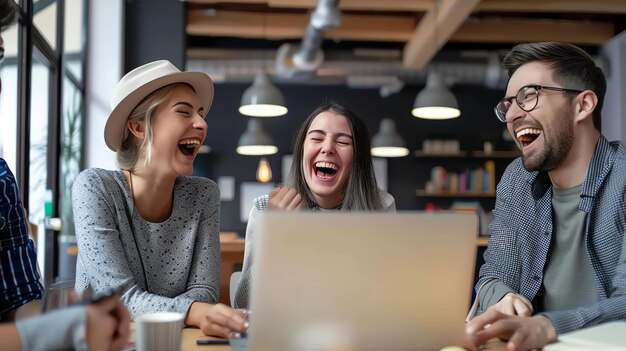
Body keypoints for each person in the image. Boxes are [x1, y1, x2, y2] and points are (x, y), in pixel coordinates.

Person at [464, 42, 626, 351]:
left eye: (528, 96)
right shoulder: (517, 180)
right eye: (508, 104)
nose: (512, 114)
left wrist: (548, 325)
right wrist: (502, 297)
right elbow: (494, 272)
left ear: (583, 105)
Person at [72, 59, 247, 338]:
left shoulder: (203, 195)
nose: (202, 123)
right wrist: (191, 312)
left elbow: (204, 292)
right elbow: (117, 300)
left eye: (201, 113)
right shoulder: (95, 188)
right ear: (138, 128)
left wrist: (196, 309)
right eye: (183, 112)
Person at [1, 1, 130, 349]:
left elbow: (18, 304)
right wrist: (58, 330)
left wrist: (63, 314)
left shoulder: (1, 179)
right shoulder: (94, 187)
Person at [234, 101, 396, 309]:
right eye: (317, 138)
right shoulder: (265, 209)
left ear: (358, 158)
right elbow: (244, 305)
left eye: (343, 142)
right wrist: (276, 235)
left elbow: (388, 296)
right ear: (302, 150)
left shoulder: (380, 207)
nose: (327, 148)